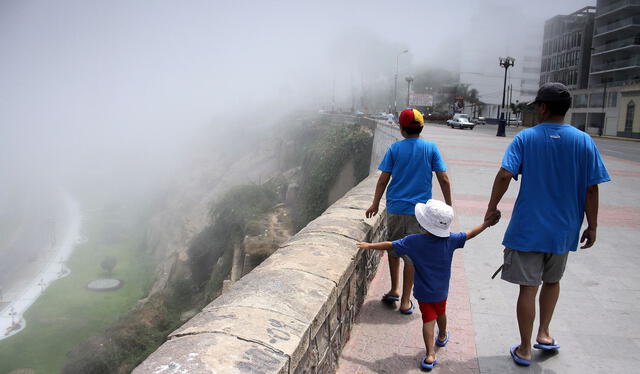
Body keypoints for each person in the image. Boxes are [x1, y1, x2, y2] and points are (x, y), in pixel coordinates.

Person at [484, 82, 611, 367]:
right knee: (552, 282)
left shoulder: (525, 138)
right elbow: (592, 188)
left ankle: (526, 349)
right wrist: (592, 226)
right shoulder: (583, 141)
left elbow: (505, 174)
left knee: (528, 288)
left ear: (543, 107)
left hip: (528, 229)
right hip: (564, 229)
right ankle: (544, 332)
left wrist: (491, 209)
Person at [358, 200, 500, 370]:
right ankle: (442, 336)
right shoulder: (451, 240)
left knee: (428, 320)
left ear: (423, 223)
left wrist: (369, 245)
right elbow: (470, 234)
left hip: (423, 292)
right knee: (441, 313)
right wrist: (486, 224)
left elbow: (390, 245)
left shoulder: (413, 241)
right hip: (441, 291)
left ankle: (430, 355)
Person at [366, 108, 452, 314]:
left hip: (396, 208)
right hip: (420, 214)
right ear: (421, 127)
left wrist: (375, 203)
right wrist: (448, 205)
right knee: (413, 255)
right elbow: (444, 178)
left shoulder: (395, 149)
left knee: (394, 249)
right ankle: (405, 300)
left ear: (402, 128)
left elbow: (383, 179)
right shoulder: (431, 148)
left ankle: (394, 289)